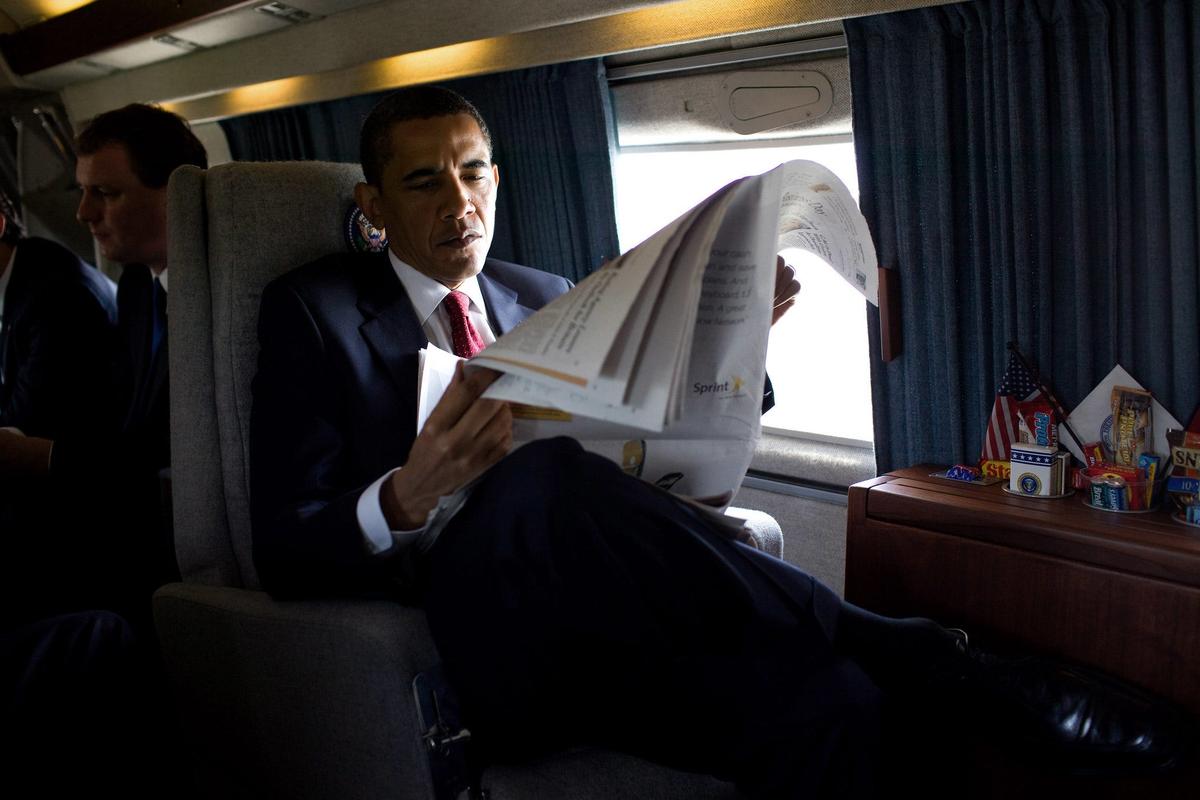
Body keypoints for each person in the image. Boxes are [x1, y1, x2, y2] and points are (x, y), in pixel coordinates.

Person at [250, 86, 1186, 798]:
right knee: (539, 481)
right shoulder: (314, 314)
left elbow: (642, 451)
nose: (460, 202)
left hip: (620, 619)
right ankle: (923, 649)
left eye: (475, 172)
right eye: (424, 182)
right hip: (492, 640)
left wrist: (729, 351)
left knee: (845, 708)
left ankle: (905, 669)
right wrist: (405, 496)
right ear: (373, 203)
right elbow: (282, 544)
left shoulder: (541, 294)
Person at [0, 103, 207, 630]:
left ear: (179, 194)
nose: (83, 213)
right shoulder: (138, 284)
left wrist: (43, 459)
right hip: (134, 519)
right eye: (83, 191)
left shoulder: (226, 298)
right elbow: (122, 428)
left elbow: (170, 455)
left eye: (105, 194)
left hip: (184, 533)